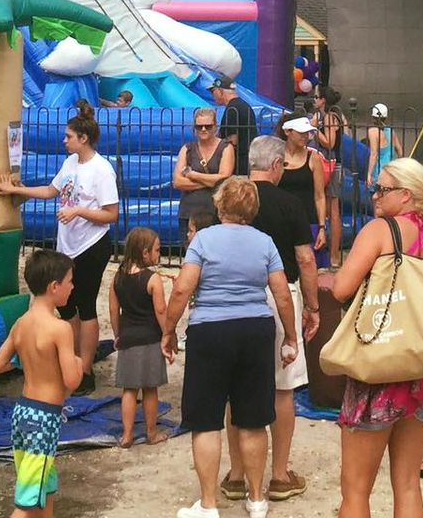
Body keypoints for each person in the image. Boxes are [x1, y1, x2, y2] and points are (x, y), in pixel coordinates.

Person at [161, 176, 297, 518]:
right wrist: (291, 336)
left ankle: (208, 504)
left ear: (220, 205)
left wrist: (169, 330)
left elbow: (182, 289)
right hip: (255, 330)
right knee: (252, 419)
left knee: (206, 420)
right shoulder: (265, 242)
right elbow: (281, 293)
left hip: (210, 331)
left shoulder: (204, 240)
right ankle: (256, 498)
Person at [333, 158, 423, 518]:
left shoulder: (380, 231)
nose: (374, 194)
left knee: (356, 489)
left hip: (381, 364)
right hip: (422, 367)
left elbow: (342, 288)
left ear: (406, 195)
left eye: (382, 189)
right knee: (407, 484)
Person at [0, 101, 120, 397]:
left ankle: (86, 370)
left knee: (86, 306)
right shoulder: (70, 164)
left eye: (68, 136)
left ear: (83, 138)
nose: (64, 141)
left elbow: (110, 214)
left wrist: (78, 211)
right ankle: (72, 363)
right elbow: (52, 191)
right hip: (68, 246)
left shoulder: (101, 170)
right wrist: (17, 190)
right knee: (67, 307)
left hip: (91, 245)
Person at [224, 134, 319, 504]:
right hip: (280, 295)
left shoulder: (230, 196)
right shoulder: (290, 203)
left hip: (235, 297)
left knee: (237, 387)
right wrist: (311, 306)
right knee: (283, 388)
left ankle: (236, 473)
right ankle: (278, 475)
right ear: (277, 165)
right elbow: (306, 258)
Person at [0, 249, 84, 518]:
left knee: (44, 485)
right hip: (44, 418)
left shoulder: (22, 323)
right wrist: (77, 364)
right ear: (54, 287)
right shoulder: (60, 328)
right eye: (69, 281)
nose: (72, 286)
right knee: (28, 501)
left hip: (22, 413)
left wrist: (26, 364)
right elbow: (71, 380)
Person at [107, 227, 170, 448]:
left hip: (128, 339)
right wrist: (168, 335)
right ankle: (151, 433)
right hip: (151, 338)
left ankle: (127, 435)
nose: (158, 254)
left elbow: (113, 311)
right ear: (145, 253)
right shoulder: (153, 280)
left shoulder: (117, 279)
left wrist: (118, 335)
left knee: (129, 389)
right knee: (150, 388)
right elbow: (161, 311)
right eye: (157, 250)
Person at [174, 107, 236, 231]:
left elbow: (224, 179)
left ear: (215, 127)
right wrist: (211, 182)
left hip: (215, 213)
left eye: (208, 126)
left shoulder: (226, 148)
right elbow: (178, 182)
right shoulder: (187, 149)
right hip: (188, 213)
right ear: (194, 128)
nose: (203, 129)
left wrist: (193, 175)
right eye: (199, 126)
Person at [278, 116, 327, 251]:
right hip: (281, 220)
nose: (306, 136)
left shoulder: (314, 157)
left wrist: (322, 227)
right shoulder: (276, 156)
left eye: (307, 132)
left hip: (308, 220)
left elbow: (320, 196)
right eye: (301, 133)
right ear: (288, 132)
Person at [312, 89, 348, 266]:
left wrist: (314, 130)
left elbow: (330, 142)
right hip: (331, 162)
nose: (314, 100)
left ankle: (334, 255)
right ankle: (330, 252)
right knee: (329, 208)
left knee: (333, 209)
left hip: (332, 163)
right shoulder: (336, 115)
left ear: (323, 100)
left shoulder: (329, 117)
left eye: (316, 97)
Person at [212, 77, 258, 169]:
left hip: (237, 164)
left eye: (213, 91)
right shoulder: (244, 105)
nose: (213, 95)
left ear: (220, 91)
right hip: (247, 160)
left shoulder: (232, 109)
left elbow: (232, 141)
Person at [365, 104, 397, 201]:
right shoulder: (391, 131)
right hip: (390, 170)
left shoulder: (373, 131)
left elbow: (374, 154)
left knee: (376, 202)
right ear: (385, 117)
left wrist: (369, 174)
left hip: (378, 171)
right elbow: (399, 149)